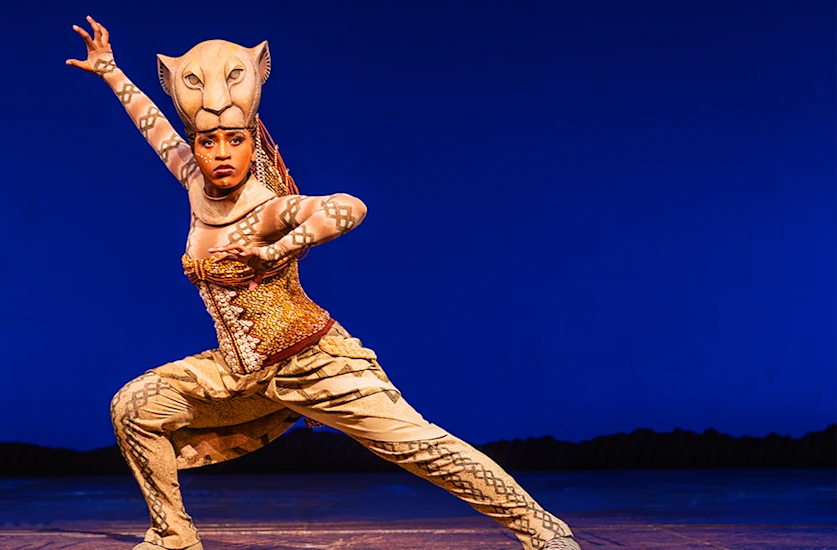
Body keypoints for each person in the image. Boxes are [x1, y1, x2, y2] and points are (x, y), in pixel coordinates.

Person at [65, 16, 582, 550]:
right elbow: (153, 126)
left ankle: (542, 530)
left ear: (251, 145)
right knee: (135, 407)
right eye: (208, 142)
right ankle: (174, 535)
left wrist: (278, 249)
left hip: (314, 361)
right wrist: (110, 71)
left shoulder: (268, 208)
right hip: (241, 373)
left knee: (418, 446)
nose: (220, 152)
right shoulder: (196, 184)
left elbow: (347, 207)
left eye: (234, 140)